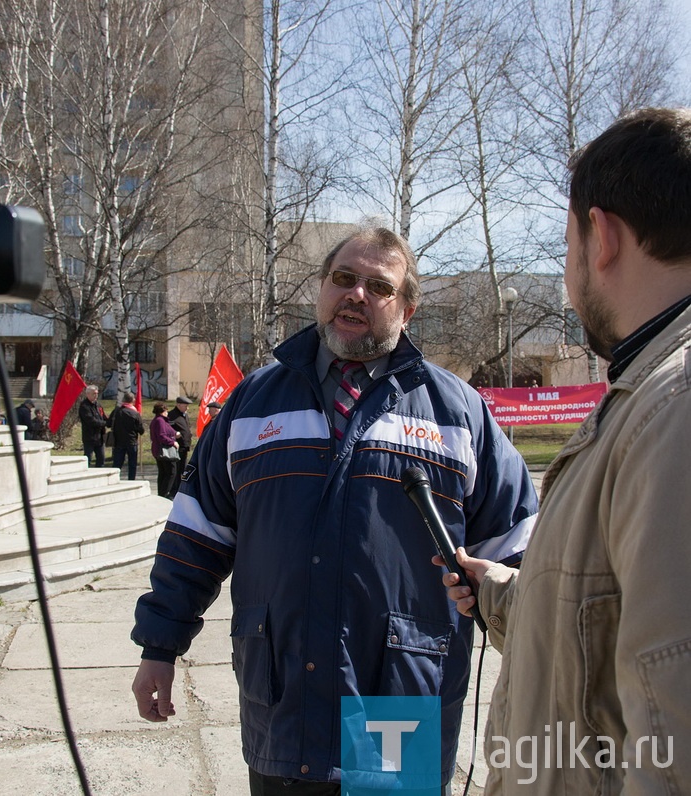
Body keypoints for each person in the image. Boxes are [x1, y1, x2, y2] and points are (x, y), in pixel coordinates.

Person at [131, 226, 539, 793]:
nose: (357, 294)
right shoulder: (253, 403)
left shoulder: (457, 413)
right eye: (343, 279)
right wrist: (160, 645)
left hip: (401, 697)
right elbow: (197, 535)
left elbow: (524, 550)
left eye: (379, 286)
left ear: (407, 310)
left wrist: (523, 625)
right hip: (283, 693)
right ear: (321, 289)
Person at [441, 107, 691, 794]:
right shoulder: (644, 399)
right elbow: (611, 621)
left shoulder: (674, 408)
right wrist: (501, 593)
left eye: (566, 244)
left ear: (601, 235)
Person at [109, 391, 144, 481]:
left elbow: (108, 423)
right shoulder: (135, 413)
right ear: (132, 400)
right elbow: (141, 430)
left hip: (118, 441)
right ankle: (131, 480)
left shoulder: (116, 411)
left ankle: (113, 480)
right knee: (132, 464)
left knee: (117, 463)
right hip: (131, 441)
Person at [149, 401, 179, 498]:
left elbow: (168, 431)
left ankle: (162, 492)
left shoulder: (160, 420)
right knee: (171, 471)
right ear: (163, 411)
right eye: (166, 411)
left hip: (158, 449)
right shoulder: (160, 421)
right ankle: (165, 492)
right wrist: (172, 442)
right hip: (164, 449)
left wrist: (175, 433)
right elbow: (162, 435)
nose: (167, 413)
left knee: (163, 472)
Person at [166, 396, 192, 498]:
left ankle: (179, 489)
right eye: (185, 406)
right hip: (177, 447)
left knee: (182, 469)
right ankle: (174, 490)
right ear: (178, 405)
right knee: (176, 470)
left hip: (184, 447)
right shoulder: (172, 415)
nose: (187, 408)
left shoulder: (184, 415)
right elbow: (169, 429)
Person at [78, 384, 107, 467]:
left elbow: (103, 416)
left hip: (100, 438)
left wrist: (111, 421)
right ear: (88, 394)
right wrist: (104, 423)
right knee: (88, 459)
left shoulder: (98, 405)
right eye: (94, 393)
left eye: (97, 393)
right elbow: (91, 421)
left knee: (101, 458)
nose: (96, 395)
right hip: (89, 437)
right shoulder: (84, 406)